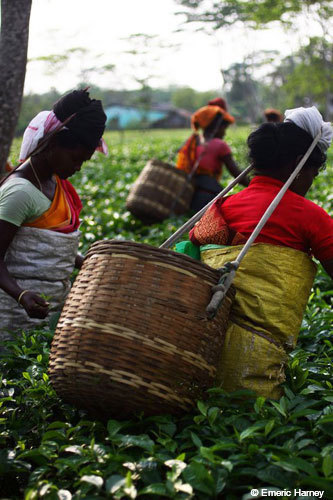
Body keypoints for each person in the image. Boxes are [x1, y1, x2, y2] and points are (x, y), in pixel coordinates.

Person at [187, 106, 333, 399]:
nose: (310, 183)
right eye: (313, 174)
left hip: (192, 362)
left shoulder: (220, 208)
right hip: (250, 376)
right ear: (297, 165)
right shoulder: (309, 216)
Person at [0, 89, 107, 341]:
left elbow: (49, 249)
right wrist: (20, 294)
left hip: (50, 313)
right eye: (76, 158)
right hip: (12, 315)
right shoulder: (20, 192)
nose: (78, 167)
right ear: (54, 143)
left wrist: (92, 264)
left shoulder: (55, 183)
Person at [176, 105, 249, 211]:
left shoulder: (193, 142)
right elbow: (236, 174)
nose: (224, 132)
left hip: (190, 197)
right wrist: (253, 185)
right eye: (224, 128)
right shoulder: (220, 145)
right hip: (209, 197)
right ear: (216, 127)